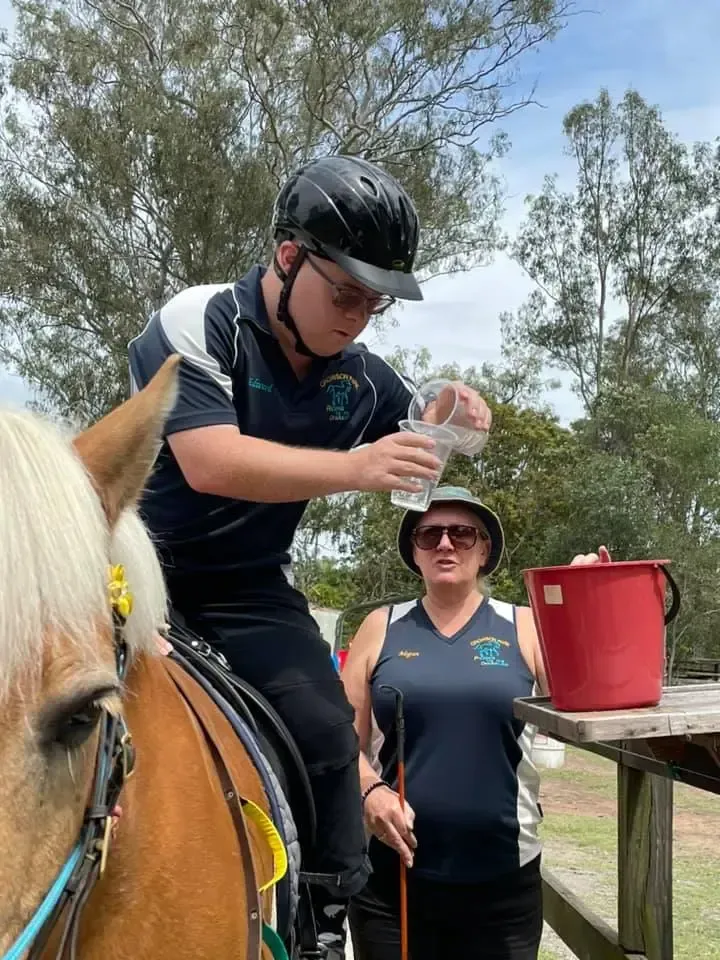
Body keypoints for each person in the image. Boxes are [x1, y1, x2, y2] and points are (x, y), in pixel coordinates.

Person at [127, 154, 491, 957]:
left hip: (248, 585)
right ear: (289, 257)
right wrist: (357, 467)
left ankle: (322, 919)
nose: (358, 318)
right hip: (132, 568)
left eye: (374, 302)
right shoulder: (198, 321)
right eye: (346, 293)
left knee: (328, 731)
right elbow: (208, 461)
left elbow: (424, 426)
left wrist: (457, 418)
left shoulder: (362, 378)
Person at [342, 485, 602, 960]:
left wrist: (583, 602)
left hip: (502, 883)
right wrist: (369, 790)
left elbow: (591, 696)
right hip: (394, 882)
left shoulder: (525, 625)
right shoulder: (381, 626)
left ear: (484, 551)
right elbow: (341, 738)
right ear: (414, 552)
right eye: (429, 535)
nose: (445, 544)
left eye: (462, 534)